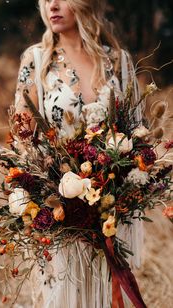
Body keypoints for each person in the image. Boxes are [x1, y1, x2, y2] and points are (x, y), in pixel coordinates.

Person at [14, 0, 143, 307]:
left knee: (105, 293)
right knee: (66, 294)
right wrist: (36, 189)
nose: (52, 5)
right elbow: (22, 135)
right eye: (45, 0)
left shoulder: (119, 61)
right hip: (61, 205)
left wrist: (126, 184)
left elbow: (138, 130)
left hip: (110, 202)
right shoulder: (36, 59)